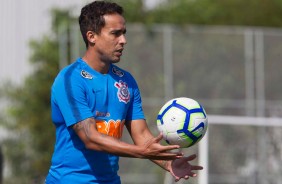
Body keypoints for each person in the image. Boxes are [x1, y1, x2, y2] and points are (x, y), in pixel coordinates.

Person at [46, 1, 203, 183]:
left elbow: (142, 135)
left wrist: (168, 163)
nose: (123, 40)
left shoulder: (126, 81)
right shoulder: (70, 79)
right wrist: (141, 152)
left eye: (124, 33)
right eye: (115, 34)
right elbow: (89, 137)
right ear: (91, 36)